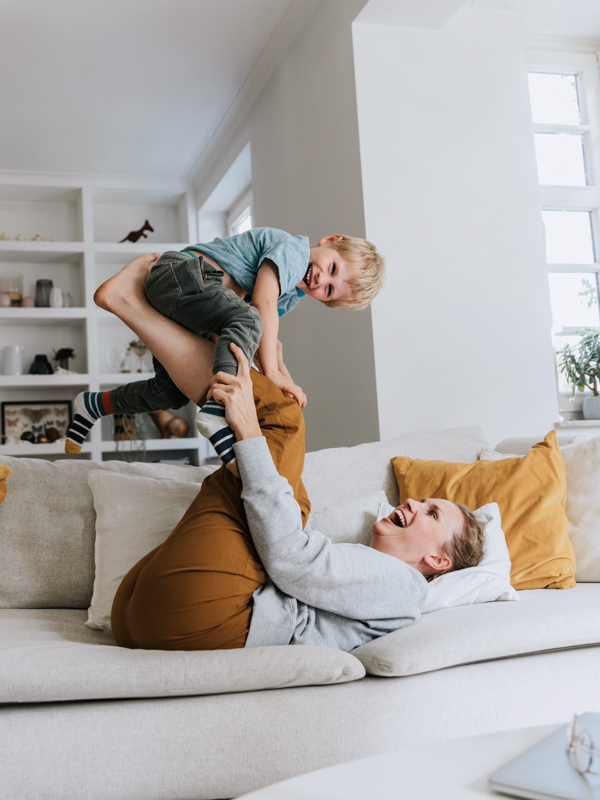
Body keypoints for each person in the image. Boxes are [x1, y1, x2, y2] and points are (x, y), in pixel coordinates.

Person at [101, 254, 485, 652]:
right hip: (147, 615)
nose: (413, 503)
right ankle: (222, 340)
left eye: (432, 513)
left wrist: (248, 433)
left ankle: (174, 318)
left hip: (209, 614)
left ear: (438, 562)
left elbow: (292, 561)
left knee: (283, 422)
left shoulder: (403, 586)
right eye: (425, 502)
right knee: (277, 487)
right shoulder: (369, 571)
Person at [64, 228, 385, 477]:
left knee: (169, 393)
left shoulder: (289, 296)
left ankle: (95, 405)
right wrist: (271, 373)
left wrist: (286, 381)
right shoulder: (293, 250)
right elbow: (261, 308)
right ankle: (219, 407)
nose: (320, 279)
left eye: (329, 289)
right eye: (331, 267)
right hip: (180, 275)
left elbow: (267, 342)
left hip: (188, 309)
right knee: (248, 318)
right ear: (330, 240)